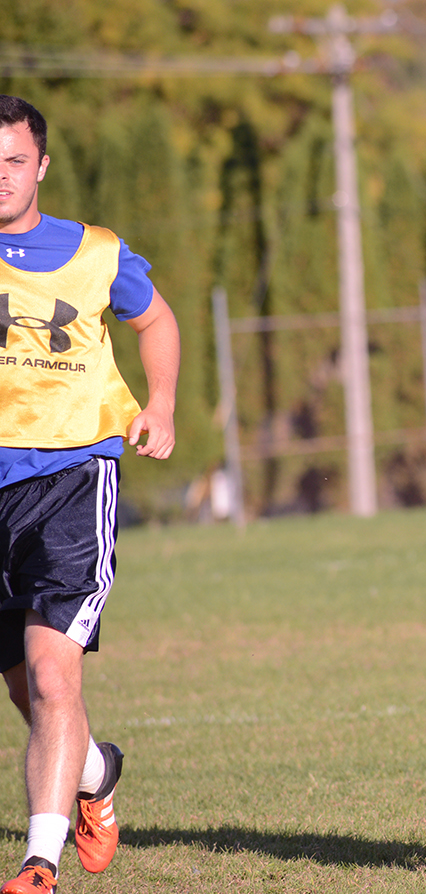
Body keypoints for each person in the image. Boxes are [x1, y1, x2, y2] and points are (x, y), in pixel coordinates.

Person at [0, 96, 179, 894]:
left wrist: (162, 403)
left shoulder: (97, 251)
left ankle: (39, 864)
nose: (0, 177)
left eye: (13, 161)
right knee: (22, 683)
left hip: (75, 475)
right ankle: (95, 770)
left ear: (40, 165)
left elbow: (157, 320)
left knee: (51, 677)